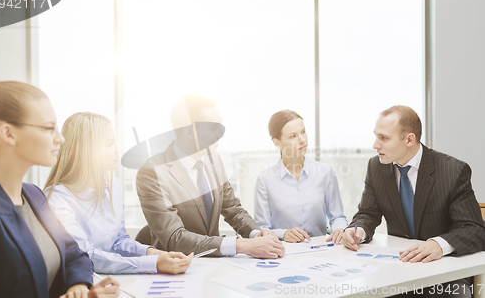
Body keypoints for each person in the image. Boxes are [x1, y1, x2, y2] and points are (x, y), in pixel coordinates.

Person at [0, 80, 120, 298]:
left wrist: (78, 287)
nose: (60, 138)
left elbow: (75, 255)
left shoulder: (33, 195)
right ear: (8, 133)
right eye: (49, 128)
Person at [343, 105, 485, 297]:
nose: (375, 145)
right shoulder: (376, 166)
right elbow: (368, 213)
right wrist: (358, 230)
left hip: (443, 273)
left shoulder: (452, 171)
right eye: (376, 136)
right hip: (397, 269)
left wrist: (438, 245)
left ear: (409, 139)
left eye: (384, 138)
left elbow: (474, 229)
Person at [136, 94, 285, 258]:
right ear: (189, 132)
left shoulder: (214, 160)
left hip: (213, 264)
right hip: (173, 267)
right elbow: (175, 237)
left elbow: (233, 210)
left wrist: (255, 234)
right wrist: (241, 245)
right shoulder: (152, 172)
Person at [44, 112, 193, 275]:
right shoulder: (57, 198)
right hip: (81, 283)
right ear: (87, 149)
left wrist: (151, 253)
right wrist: (153, 264)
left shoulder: (113, 185)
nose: (118, 149)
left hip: (112, 278)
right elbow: (85, 256)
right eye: (109, 143)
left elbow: (118, 241)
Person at [254, 110, 348, 243]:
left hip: (321, 253)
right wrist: (284, 233)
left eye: (303, 132)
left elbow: (338, 217)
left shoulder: (325, 172)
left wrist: (340, 229)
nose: (302, 140)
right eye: (293, 136)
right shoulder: (265, 179)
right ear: (277, 142)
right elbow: (262, 228)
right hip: (283, 254)